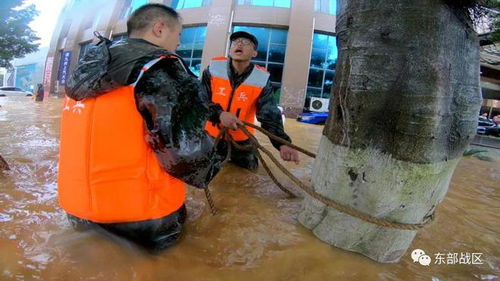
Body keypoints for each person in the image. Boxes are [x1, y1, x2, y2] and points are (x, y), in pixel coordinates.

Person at [58, 4, 222, 252]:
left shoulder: (89, 67)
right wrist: (221, 152)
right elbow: (186, 153)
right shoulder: (162, 67)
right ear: (159, 29)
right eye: (178, 35)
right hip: (144, 217)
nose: (179, 43)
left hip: (78, 211)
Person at [200, 31, 299, 170]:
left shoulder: (261, 79)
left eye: (246, 42)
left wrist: (283, 143)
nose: (239, 43)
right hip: (211, 138)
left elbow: (269, 114)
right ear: (230, 49)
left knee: (251, 174)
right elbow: (200, 100)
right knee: (203, 174)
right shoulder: (213, 70)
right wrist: (220, 114)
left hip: (242, 140)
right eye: (235, 42)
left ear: (254, 54)